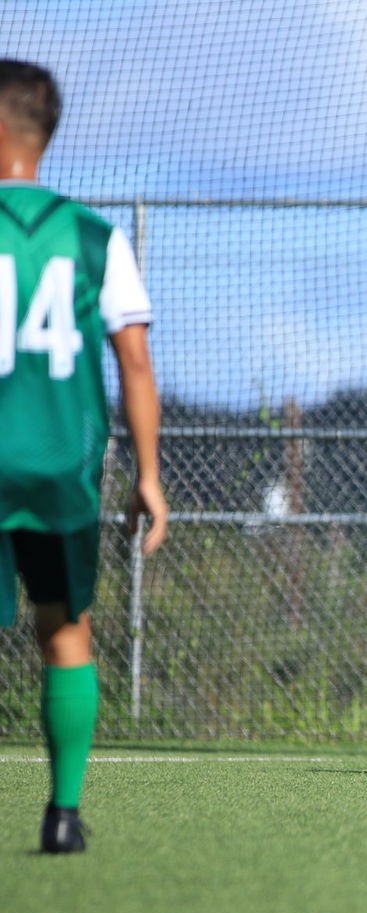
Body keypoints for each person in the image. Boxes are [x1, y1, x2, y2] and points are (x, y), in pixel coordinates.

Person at [0, 60, 166, 852]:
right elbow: (134, 363)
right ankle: (63, 816)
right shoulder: (95, 236)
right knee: (65, 632)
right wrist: (149, 477)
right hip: (62, 465)